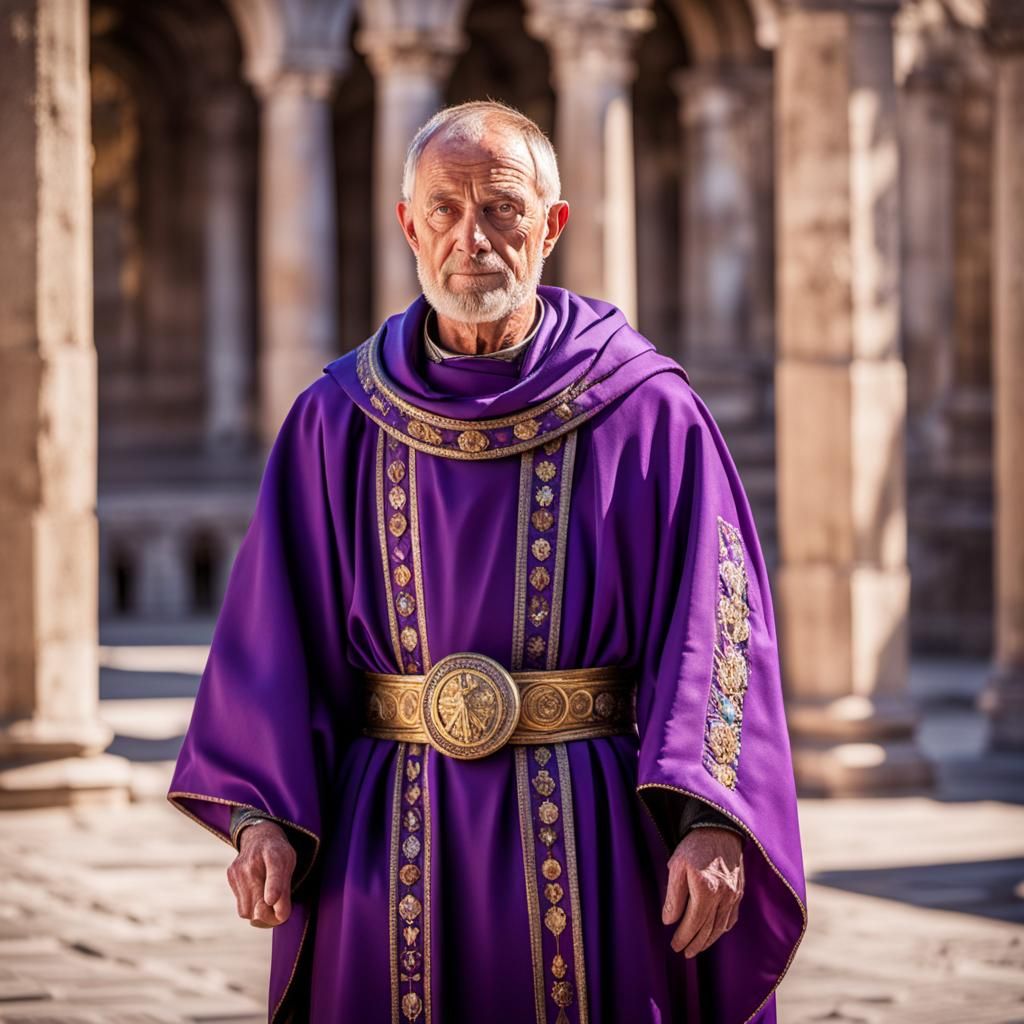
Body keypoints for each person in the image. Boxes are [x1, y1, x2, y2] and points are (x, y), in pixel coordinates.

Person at [168, 99, 807, 1023]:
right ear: (408, 226)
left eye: (503, 208)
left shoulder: (646, 410)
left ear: (551, 226)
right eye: (445, 210)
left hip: (595, 837)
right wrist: (261, 814)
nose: (474, 237)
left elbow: (720, 631)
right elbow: (273, 635)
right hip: (385, 836)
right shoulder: (336, 419)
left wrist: (712, 819)